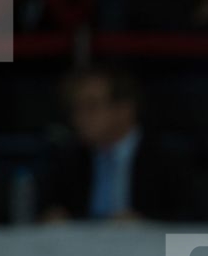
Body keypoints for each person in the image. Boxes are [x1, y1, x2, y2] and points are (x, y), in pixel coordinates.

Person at [40, 66, 190, 222]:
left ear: (124, 109)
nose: (79, 117)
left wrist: (145, 225)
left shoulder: (168, 158)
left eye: (91, 106)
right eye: (75, 108)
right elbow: (50, 209)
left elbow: (191, 220)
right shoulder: (67, 160)